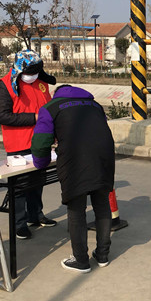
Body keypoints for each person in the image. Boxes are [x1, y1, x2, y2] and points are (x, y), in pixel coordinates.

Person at [31, 85, 115, 273]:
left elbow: (41, 141)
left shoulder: (50, 107)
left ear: (55, 94)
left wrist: (41, 163)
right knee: (102, 204)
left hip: (75, 160)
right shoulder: (95, 105)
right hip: (104, 158)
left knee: (76, 208)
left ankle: (81, 260)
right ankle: (102, 255)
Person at [0, 49, 58, 240]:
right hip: (18, 144)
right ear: (19, 69)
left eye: (36, 72)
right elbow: (2, 116)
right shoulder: (5, 85)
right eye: (30, 72)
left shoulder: (41, 83)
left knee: (38, 182)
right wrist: (34, 118)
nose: (33, 76)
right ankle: (19, 224)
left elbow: (48, 108)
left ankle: (36, 215)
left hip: (40, 141)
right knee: (20, 187)